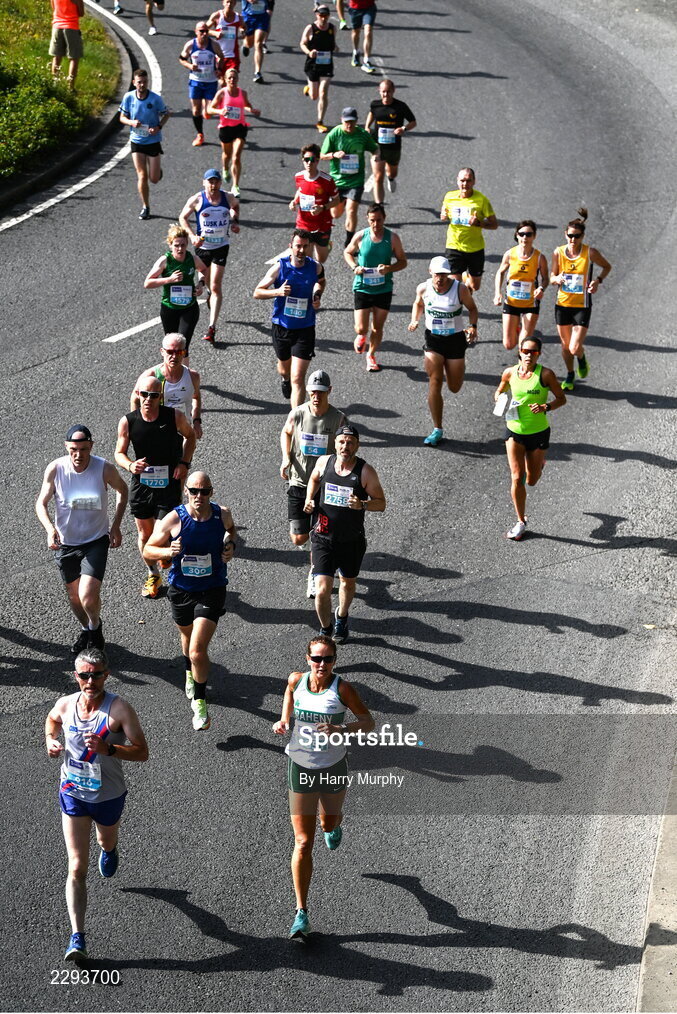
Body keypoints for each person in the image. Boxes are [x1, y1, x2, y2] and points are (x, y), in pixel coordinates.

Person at [45, 648, 149, 962]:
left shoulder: (119, 709)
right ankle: (77, 938)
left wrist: (109, 749)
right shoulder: (65, 704)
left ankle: (109, 848)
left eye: (97, 674)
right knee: (76, 866)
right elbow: (51, 720)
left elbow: (142, 752)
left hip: (108, 796)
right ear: (76, 676)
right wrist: (50, 739)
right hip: (73, 793)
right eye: (84, 675)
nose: (91, 681)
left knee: (105, 839)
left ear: (107, 674)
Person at [273, 634, 375, 939]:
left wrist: (340, 728)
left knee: (328, 821)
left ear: (334, 661)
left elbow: (368, 722)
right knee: (303, 842)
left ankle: (333, 825)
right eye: (316, 658)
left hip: (333, 767)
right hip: (300, 767)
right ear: (307, 659)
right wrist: (284, 720)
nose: (322, 664)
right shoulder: (296, 680)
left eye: (328, 659)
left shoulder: (342, 688)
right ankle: (301, 913)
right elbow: (289, 694)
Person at [144, 472, 235, 731]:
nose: (199, 496)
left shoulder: (222, 514)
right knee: (186, 640)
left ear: (211, 492)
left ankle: (200, 701)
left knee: (197, 649)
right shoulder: (175, 519)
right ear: (186, 491)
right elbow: (147, 549)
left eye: (204, 491)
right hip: (182, 589)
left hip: (212, 588)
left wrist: (230, 547)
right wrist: (167, 551)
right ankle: (188, 671)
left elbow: (231, 532)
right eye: (194, 491)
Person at [36, 426, 128, 653]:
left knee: (87, 595)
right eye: (74, 450)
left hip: (95, 541)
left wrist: (116, 525)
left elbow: (123, 490)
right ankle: (89, 630)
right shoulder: (56, 469)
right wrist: (49, 528)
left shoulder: (103, 468)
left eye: (84, 449)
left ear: (91, 447)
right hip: (66, 543)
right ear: (67, 447)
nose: (78, 455)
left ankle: (95, 628)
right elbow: (41, 503)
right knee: (74, 597)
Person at [115, 377, 196, 599]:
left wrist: (184, 463)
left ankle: (169, 555)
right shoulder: (128, 422)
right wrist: (131, 465)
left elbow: (190, 437)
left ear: (161, 397)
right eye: (144, 394)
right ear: (138, 395)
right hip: (141, 486)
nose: (148, 399)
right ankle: (153, 574)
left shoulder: (174, 416)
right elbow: (118, 453)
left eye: (153, 395)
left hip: (168, 484)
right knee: (144, 533)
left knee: (162, 532)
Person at [304, 425, 386, 641]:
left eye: (350, 443)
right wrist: (309, 499)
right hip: (322, 537)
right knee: (322, 589)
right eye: (341, 442)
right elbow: (313, 479)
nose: (345, 446)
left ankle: (341, 615)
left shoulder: (365, 472)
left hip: (351, 541)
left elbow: (381, 503)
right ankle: (325, 628)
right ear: (335, 444)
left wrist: (363, 505)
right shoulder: (324, 462)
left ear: (357, 445)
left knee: (348, 583)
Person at [280, 370, 347, 598]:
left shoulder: (338, 418)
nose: (316, 396)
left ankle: (315, 572)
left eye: (320, 392)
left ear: (329, 391)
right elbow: (286, 433)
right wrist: (286, 457)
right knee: (299, 537)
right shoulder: (298, 413)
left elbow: (347, 446)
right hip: (299, 482)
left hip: (324, 486)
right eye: (312, 392)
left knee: (319, 534)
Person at [494, 337, 566, 540]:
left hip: (538, 432)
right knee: (517, 477)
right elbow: (500, 388)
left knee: (532, 480)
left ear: (539, 354)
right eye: (525, 351)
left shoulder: (546, 375)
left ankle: (539, 463)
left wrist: (546, 407)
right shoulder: (509, 372)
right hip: (514, 431)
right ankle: (520, 521)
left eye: (533, 352)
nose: (528, 355)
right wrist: (499, 396)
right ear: (519, 351)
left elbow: (562, 399)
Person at [408, 256, 479, 446]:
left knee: (454, 387)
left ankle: (454, 368)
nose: (440, 278)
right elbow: (418, 303)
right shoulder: (423, 288)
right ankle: (437, 428)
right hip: (434, 340)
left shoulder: (460, 288)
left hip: (455, 340)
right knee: (435, 380)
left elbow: (472, 309)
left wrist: (472, 326)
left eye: (444, 274)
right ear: (430, 272)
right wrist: (415, 319)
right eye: (437, 274)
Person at [253, 229, 326, 407]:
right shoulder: (280, 267)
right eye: (298, 246)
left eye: (304, 247)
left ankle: (296, 420)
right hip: (282, 327)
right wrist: (277, 292)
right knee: (285, 370)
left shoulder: (315, 267)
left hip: (305, 328)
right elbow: (257, 292)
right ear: (291, 247)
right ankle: (284, 379)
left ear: (309, 247)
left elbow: (321, 281)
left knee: (298, 377)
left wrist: (317, 295)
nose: (301, 250)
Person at [550, 208, 612, 390]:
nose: (573, 240)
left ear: (583, 237)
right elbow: (552, 276)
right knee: (565, 346)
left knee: (574, 347)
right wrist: (557, 279)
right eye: (570, 236)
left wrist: (597, 281)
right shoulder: (558, 253)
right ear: (565, 234)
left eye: (577, 236)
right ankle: (570, 375)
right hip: (562, 304)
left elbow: (607, 266)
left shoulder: (590, 253)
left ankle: (582, 358)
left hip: (581, 306)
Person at [179, 169, 240, 345]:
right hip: (203, 247)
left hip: (221, 246)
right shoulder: (197, 199)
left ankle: (211, 328)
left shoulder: (227, 197)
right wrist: (191, 236)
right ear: (204, 183)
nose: (213, 185)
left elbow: (235, 206)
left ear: (220, 183)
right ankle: (203, 287)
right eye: (210, 182)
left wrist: (235, 221)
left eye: (216, 182)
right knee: (203, 282)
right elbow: (183, 217)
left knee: (216, 285)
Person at [344, 202, 407, 372]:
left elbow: (403, 262)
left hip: (383, 288)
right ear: (367, 219)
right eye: (372, 220)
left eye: (379, 220)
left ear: (384, 218)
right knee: (361, 327)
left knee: (377, 327)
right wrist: (354, 267)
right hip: (363, 287)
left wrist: (389, 268)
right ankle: (361, 336)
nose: (376, 224)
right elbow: (347, 252)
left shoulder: (392, 238)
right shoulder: (360, 236)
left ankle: (371, 355)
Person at [144, 225, 207, 354]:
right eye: (176, 245)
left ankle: (184, 374)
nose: (180, 249)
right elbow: (148, 283)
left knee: (183, 347)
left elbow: (204, 270)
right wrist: (169, 279)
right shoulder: (165, 261)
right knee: (171, 347)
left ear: (187, 244)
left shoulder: (193, 259)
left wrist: (201, 284)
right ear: (170, 245)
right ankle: (170, 373)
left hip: (189, 308)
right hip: (169, 308)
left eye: (183, 245)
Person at [320, 107, 379, 246]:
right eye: (346, 122)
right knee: (335, 214)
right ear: (341, 120)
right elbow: (322, 155)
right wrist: (334, 155)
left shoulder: (362, 135)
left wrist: (376, 155)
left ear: (356, 121)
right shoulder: (334, 134)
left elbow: (374, 147)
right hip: (337, 181)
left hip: (355, 181)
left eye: (352, 122)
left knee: (351, 211)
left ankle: (349, 242)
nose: (349, 125)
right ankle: (343, 203)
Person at [118, 68, 169, 220]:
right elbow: (121, 117)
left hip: (153, 141)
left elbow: (166, 114)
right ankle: (145, 206)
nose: (142, 85)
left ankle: (157, 171)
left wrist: (158, 127)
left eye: (145, 82)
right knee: (142, 175)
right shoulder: (128, 97)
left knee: (154, 179)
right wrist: (131, 122)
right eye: (139, 82)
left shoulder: (155, 99)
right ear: (134, 83)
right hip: (136, 141)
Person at [131, 334, 203, 440]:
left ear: (184, 353)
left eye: (179, 352)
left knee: (184, 457)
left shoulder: (193, 376)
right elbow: (135, 399)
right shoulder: (150, 376)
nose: (174, 356)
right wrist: (139, 426)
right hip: (155, 432)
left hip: (183, 432)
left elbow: (196, 397)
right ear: (162, 352)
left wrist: (196, 421)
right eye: (170, 352)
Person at [440, 168, 497, 293]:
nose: (465, 184)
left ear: (474, 181)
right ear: (457, 181)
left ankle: (467, 277)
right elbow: (444, 212)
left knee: (475, 286)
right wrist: (443, 215)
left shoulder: (481, 200)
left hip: (475, 248)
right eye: (462, 180)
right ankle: (458, 308)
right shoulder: (449, 196)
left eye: (468, 181)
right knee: (455, 286)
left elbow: (494, 224)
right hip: (454, 245)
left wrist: (479, 223)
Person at [494, 221, 549, 350]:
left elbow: (545, 279)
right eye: (522, 234)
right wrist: (497, 293)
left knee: (523, 346)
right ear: (517, 235)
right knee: (508, 344)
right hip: (511, 302)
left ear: (534, 236)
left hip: (530, 303)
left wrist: (541, 288)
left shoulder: (540, 257)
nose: (525, 237)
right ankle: (517, 328)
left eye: (528, 234)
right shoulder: (510, 254)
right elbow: (500, 272)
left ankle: (522, 369)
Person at [207, 67, 260, 197]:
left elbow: (247, 105)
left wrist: (251, 110)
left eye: (234, 77)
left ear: (238, 79)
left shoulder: (243, 93)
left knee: (236, 157)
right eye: (229, 77)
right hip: (226, 128)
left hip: (240, 127)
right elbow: (209, 109)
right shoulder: (222, 93)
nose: (232, 80)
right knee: (227, 155)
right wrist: (220, 111)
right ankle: (225, 169)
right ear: (225, 79)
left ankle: (235, 186)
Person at [364, 79, 416, 202]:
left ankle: (391, 178)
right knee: (378, 177)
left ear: (393, 91)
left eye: (388, 92)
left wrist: (403, 128)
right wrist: (367, 126)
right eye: (383, 92)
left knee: (392, 172)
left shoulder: (401, 106)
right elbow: (372, 113)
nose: (385, 95)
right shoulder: (375, 104)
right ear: (379, 91)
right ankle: (379, 205)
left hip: (393, 147)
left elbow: (413, 122)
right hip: (377, 145)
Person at [289, 144, 340, 265]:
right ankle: (311, 282)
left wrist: (322, 208)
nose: (309, 163)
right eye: (306, 160)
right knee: (307, 259)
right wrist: (294, 201)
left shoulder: (327, 180)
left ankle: (327, 246)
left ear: (317, 161)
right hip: (304, 223)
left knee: (321, 259)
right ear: (303, 160)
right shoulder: (299, 176)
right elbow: (300, 190)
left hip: (323, 223)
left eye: (312, 160)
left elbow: (337, 200)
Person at [179, 22, 225, 148]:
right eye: (201, 31)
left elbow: (221, 56)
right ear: (196, 32)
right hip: (195, 81)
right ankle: (200, 134)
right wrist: (189, 65)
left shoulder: (213, 45)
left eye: (206, 31)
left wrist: (219, 69)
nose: (204, 34)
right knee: (196, 109)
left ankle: (223, 131)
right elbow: (181, 59)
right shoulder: (190, 45)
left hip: (210, 81)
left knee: (210, 110)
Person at [300, 5, 338, 134]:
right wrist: (309, 52)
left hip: (327, 65)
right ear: (317, 15)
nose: (323, 18)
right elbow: (302, 43)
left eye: (325, 15)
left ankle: (320, 121)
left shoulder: (332, 28)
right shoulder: (310, 28)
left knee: (323, 93)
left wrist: (335, 48)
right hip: (312, 65)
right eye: (321, 15)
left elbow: (333, 44)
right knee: (314, 96)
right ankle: (309, 89)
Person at [49, 0, 84, 89]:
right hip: (71, 26)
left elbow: (54, 8)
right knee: (73, 58)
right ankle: (70, 86)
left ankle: (55, 83)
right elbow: (81, 13)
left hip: (57, 25)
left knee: (56, 57)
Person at [207, 0, 244, 74]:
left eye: (232, 2)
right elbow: (203, 30)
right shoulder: (217, 16)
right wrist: (215, 33)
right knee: (222, 81)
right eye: (227, 2)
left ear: (235, 3)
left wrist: (242, 30)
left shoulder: (238, 17)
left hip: (233, 55)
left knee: (231, 78)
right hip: (219, 54)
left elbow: (244, 27)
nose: (229, 4)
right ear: (223, 2)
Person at [241, 0, 273, 83]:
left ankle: (257, 72)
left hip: (262, 17)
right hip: (248, 17)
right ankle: (246, 45)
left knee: (258, 44)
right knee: (249, 44)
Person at [346, 0, 377, 74]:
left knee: (368, 31)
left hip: (369, 7)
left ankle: (366, 61)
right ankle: (356, 52)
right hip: (355, 8)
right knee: (356, 32)